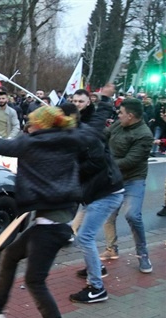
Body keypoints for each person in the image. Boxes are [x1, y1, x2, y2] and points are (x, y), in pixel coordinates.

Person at [0, 106, 81, 318]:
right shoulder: (66, 142)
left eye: (33, 122)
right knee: (11, 255)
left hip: (51, 227)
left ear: (42, 125)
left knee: (35, 281)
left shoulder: (32, 144)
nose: (29, 125)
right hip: (54, 221)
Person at [59, 103, 124, 304]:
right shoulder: (76, 134)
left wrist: (71, 167)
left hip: (105, 193)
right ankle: (95, 268)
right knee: (80, 233)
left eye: (60, 118)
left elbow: (96, 162)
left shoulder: (84, 137)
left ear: (71, 117)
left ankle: (97, 288)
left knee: (85, 238)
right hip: (96, 193)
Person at [99, 99, 154, 274]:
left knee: (132, 215)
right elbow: (104, 135)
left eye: (121, 112)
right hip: (114, 179)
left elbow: (131, 161)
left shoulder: (144, 134)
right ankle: (111, 248)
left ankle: (143, 254)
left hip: (133, 179)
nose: (118, 115)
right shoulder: (118, 125)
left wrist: (105, 163)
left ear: (130, 116)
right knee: (108, 214)